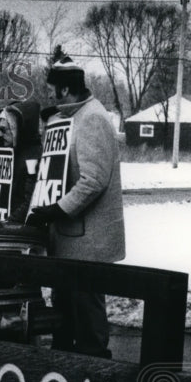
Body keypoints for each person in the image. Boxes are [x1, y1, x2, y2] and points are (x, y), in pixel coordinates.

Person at [26, 52, 125, 359]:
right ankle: (69, 361)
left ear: (65, 90)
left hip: (86, 239)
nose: (50, 96)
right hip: (71, 236)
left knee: (85, 305)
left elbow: (94, 180)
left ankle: (95, 366)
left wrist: (56, 209)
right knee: (67, 303)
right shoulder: (72, 118)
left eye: (53, 90)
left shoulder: (92, 119)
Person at [0, 99, 42, 223]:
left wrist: (6, 223)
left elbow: (29, 202)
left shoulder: (34, 158)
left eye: (4, 130)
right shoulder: (14, 153)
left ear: (18, 130)